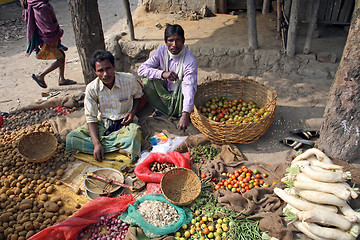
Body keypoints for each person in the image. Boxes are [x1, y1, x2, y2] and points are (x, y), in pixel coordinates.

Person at [66, 50, 143, 163]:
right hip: (104, 123)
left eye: (108, 68)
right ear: (95, 72)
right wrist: (96, 143)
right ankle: (118, 149)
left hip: (125, 123)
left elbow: (138, 96)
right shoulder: (91, 88)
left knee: (134, 136)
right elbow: (91, 118)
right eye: (100, 71)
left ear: (114, 66)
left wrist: (132, 112)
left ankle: (108, 147)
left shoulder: (129, 79)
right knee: (71, 139)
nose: (105, 74)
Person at [138, 23, 198, 132]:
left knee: (186, 86)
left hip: (179, 96)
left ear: (183, 41)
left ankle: (180, 113)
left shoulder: (189, 61)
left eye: (178, 40)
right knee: (146, 81)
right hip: (166, 92)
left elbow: (189, 87)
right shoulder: (162, 51)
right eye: (170, 40)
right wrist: (162, 73)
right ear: (166, 42)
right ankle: (161, 109)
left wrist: (185, 114)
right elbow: (141, 70)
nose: (174, 44)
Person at [22, 0, 76, 88]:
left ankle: (62, 79)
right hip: (49, 37)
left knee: (61, 54)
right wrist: (57, 33)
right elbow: (48, 26)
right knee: (60, 59)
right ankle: (40, 75)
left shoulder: (33, 3)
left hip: (45, 36)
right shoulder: (43, 6)